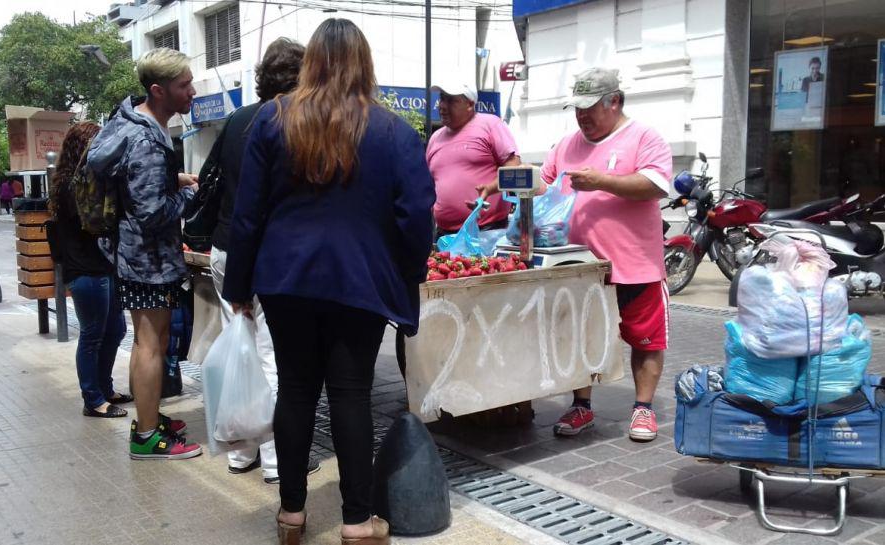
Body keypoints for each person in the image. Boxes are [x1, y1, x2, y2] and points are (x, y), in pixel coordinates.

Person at [222, 19, 435, 545]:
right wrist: (408, 274)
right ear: (365, 63)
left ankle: (291, 513)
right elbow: (416, 217)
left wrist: (239, 288)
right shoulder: (393, 130)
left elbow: (247, 214)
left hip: (285, 277)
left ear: (311, 61)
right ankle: (357, 521)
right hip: (360, 280)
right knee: (351, 393)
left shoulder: (273, 120)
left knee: (295, 389)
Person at [478, 68, 672, 442]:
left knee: (645, 339)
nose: (582, 115)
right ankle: (581, 405)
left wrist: (602, 181)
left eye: (590, 107)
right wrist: (503, 183)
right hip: (578, 266)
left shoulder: (644, 137)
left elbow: (656, 184)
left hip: (636, 265)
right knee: (580, 337)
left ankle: (643, 407)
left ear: (614, 102)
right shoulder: (567, 144)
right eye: (578, 108)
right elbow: (546, 184)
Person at [208, 37, 320, 483]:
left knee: (241, 350)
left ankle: (241, 453)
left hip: (225, 249)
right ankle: (277, 461)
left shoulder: (236, 120)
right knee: (273, 357)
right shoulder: (293, 122)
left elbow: (214, 183)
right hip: (269, 257)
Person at [87, 47, 202, 460]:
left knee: (147, 341)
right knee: (151, 344)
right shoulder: (147, 140)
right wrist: (192, 195)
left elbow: (136, 185)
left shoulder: (129, 122)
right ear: (158, 90)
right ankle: (147, 436)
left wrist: (174, 178)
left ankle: (148, 419)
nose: (192, 91)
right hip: (148, 259)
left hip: (133, 254)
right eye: (184, 85)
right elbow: (152, 213)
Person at [48, 121, 132, 418]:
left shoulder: (85, 180)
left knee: (116, 329)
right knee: (93, 335)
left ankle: (104, 388)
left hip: (102, 267)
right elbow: (97, 223)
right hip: (86, 269)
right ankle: (93, 399)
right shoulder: (74, 186)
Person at [426, 80, 520, 237]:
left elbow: (515, 168)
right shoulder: (435, 138)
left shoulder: (490, 124)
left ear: (470, 104)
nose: (442, 105)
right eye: (442, 98)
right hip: (444, 235)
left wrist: (490, 188)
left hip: (487, 232)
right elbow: (429, 184)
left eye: (450, 100)